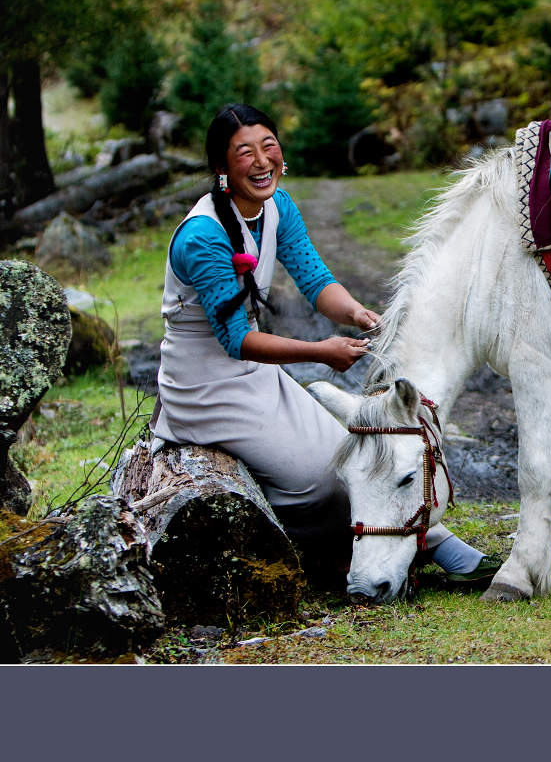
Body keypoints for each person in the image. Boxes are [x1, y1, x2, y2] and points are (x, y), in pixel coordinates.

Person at [151, 103, 497, 589]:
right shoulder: (203, 235)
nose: (260, 160)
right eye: (243, 152)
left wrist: (356, 313)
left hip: (254, 377)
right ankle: (332, 556)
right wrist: (321, 351)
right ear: (221, 168)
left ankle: (424, 539)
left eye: (268, 145)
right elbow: (237, 340)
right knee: (316, 483)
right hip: (204, 389)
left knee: (353, 458)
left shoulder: (278, 208)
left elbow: (315, 281)